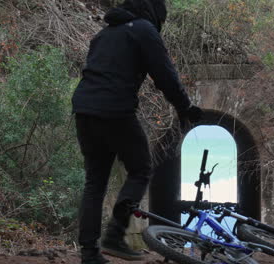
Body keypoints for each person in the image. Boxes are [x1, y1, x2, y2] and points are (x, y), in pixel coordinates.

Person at [71, 0, 203, 263]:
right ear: (154, 11)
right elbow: (164, 74)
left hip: (84, 110)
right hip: (115, 109)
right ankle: (114, 235)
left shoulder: (103, 34)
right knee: (141, 169)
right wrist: (185, 107)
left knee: (95, 181)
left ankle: (89, 253)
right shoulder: (143, 30)